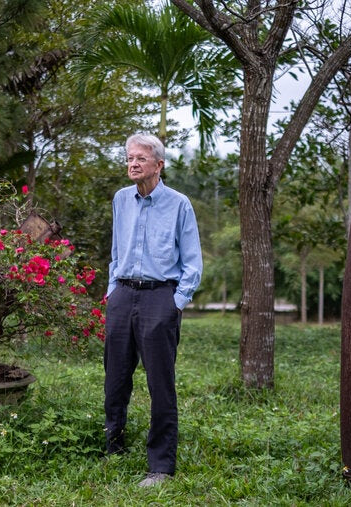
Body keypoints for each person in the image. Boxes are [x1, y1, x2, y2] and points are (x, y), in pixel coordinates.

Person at [104, 133, 203, 487]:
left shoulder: (179, 204)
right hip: (122, 296)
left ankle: (160, 466)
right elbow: (117, 249)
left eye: (140, 158)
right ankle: (112, 445)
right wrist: (112, 291)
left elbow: (192, 261)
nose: (132, 163)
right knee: (115, 378)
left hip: (161, 297)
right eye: (130, 158)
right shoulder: (120, 200)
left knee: (160, 383)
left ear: (158, 165)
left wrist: (176, 302)